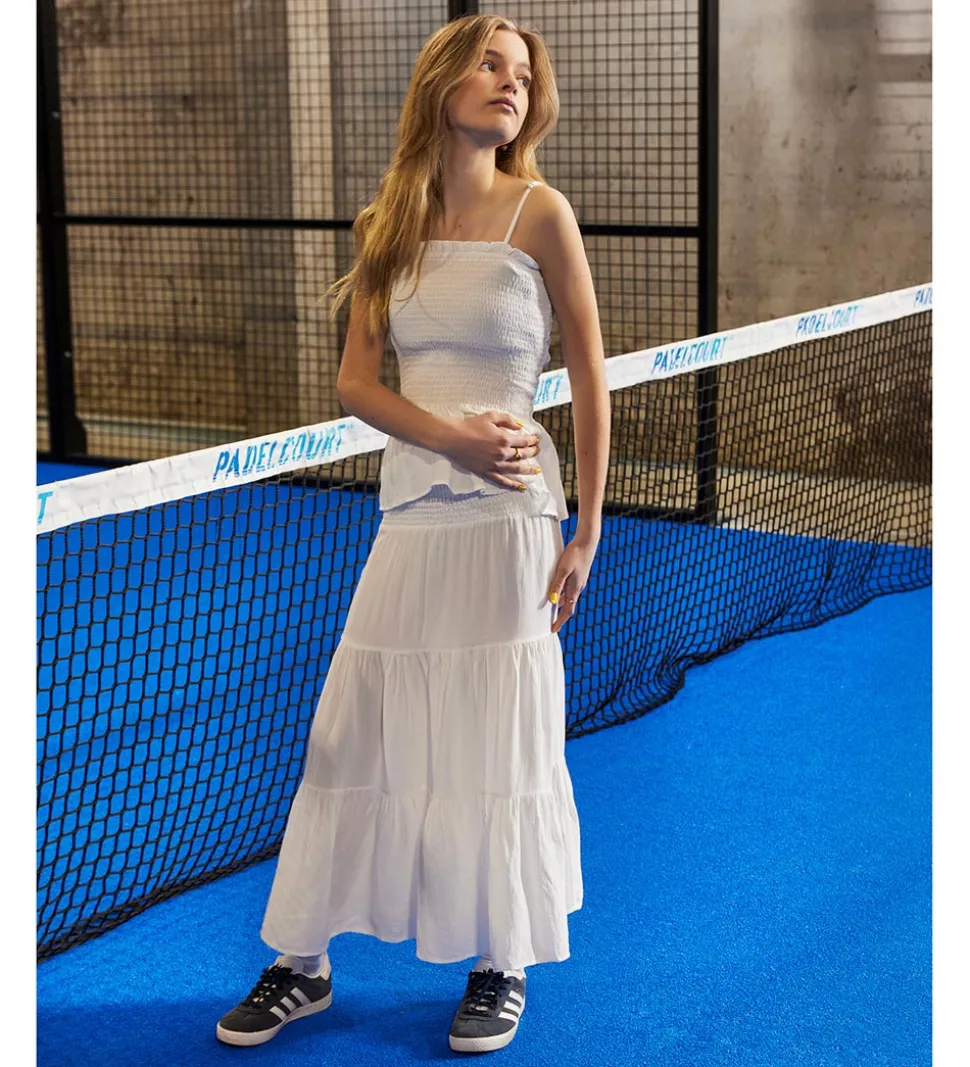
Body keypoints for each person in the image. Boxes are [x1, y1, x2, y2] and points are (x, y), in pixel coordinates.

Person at [216, 12, 609, 1055]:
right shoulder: (383, 223)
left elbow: (590, 370)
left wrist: (587, 528)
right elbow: (356, 383)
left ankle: (501, 959)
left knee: (500, 732)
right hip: (413, 512)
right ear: (439, 81)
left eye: (523, 73)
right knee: (353, 730)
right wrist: (450, 438)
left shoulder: (542, 213)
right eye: (490, 64)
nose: (511, 83)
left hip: (515, 522)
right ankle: (302, 964)